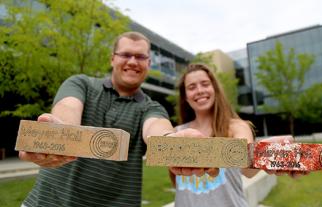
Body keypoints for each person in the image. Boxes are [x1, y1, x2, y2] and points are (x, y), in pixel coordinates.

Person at [18, 32, 209, 207]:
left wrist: (170, 142)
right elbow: (68, 108)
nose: (133, 61)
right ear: (112, 59)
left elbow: (157, 129)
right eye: (126, 55)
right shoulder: (81, 84)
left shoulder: (151, 108)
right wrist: (60, 132)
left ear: (149, 64)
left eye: (141, 57)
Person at [169, 63, 302, 207]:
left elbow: (247, 169)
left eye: (205, 84)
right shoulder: (177, 133)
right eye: (192, 87)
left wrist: (265, 152)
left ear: (215, 89)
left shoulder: (236, 127)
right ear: (185, 97)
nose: (199, 90)